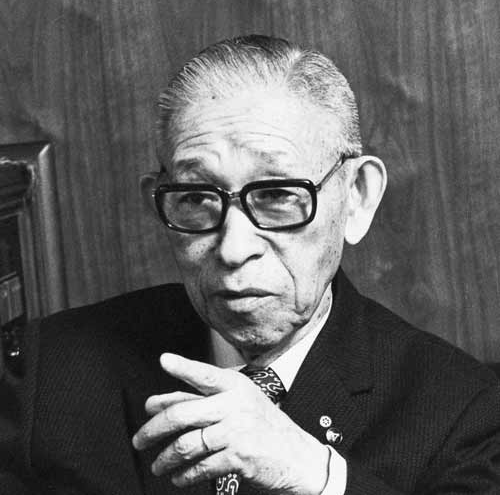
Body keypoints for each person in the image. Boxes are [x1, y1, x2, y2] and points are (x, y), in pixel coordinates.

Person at [1, 35, 500, 495]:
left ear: (357, 198)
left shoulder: (461, 412)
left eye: (278, 195)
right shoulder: (51, 373)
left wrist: (318, 476)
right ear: (159, 202)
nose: (234, 248)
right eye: (196, 197)